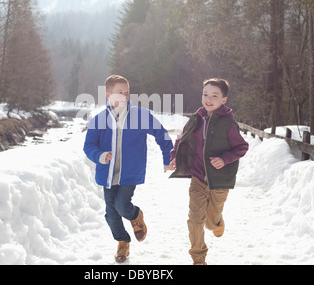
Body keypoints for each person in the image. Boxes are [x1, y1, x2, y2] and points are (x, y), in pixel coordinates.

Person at [84, 75, 173, 263]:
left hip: (130, 173)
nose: (125, 96)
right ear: (108, 95)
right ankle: (123, 242)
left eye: (127, 92)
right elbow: (89, 145)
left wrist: (168, 158)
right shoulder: (99, 119)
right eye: (119, 92)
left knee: (122, 206)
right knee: (111, 214)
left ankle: (135, 215)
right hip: (107, 173)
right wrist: (99, 155)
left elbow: (162, 135)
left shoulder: (140, 116)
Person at [169, 78, 249, 265]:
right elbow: (181, 139)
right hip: (197, 178)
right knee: (195, 219)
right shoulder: (195, 119)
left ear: (223, 100)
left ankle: (218, 223)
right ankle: (198, 259)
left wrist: (225, 159)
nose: (209, 99)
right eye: (205, 94)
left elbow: (242, 147)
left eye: (215, 95)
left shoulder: (228, 124)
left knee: (210, 223)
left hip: (219, 181)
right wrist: (174, 156)